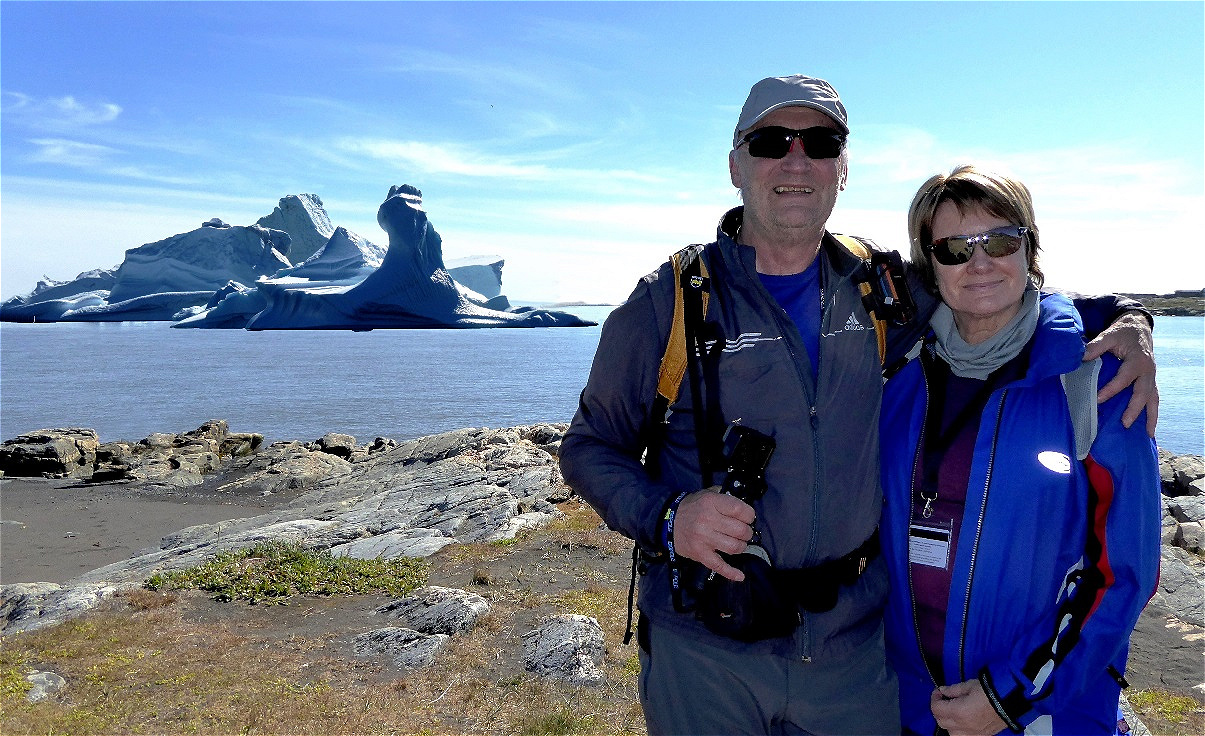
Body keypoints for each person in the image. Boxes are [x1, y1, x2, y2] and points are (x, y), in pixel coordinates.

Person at [558, 76, 1157, 735]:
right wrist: (669, 516)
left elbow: (1002, 297)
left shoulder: (880, 288)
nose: (795, 159)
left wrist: (1129, 320)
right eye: (769, 142)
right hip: (705, 648)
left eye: (819, 142)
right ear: (735, 164)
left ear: (841, 168)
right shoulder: (668, 302)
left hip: (848, 652)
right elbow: (588, 446)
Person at [879, 165, 1161, 736]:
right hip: (911, 704)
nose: (980, 263)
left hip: (1043, 712)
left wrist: (1013, 693)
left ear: (1030, 249)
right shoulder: (899, 375)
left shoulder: (1094, 377)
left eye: (1001, 240)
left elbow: (1123, 571)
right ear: (929, 264)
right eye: (955, 248)